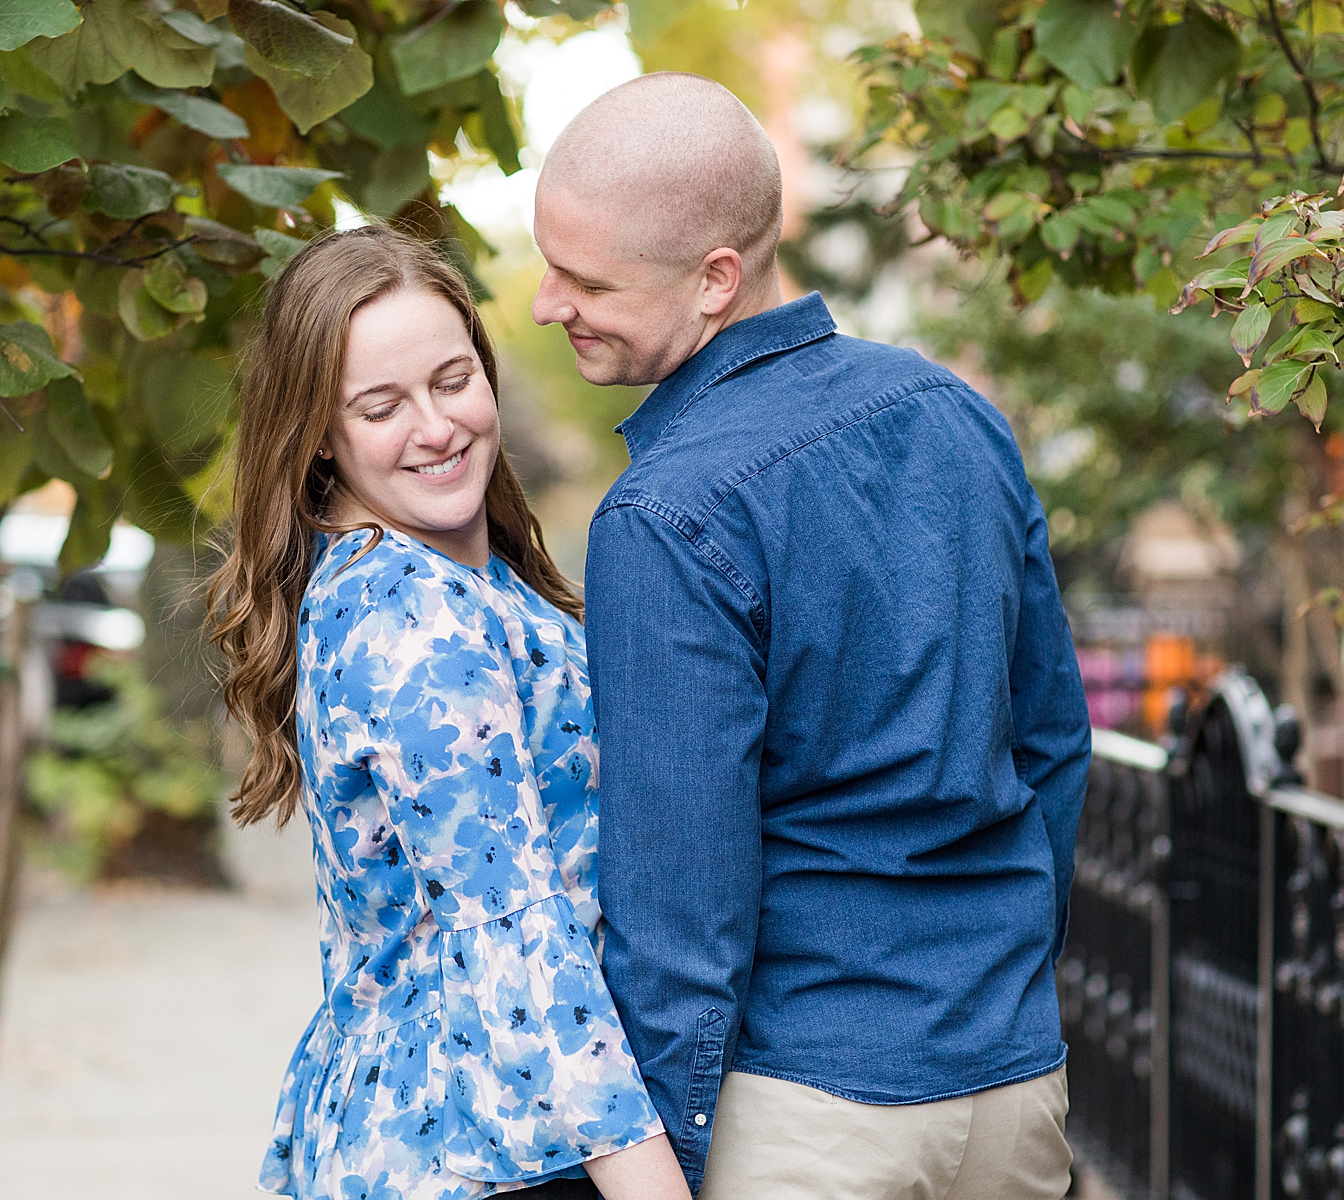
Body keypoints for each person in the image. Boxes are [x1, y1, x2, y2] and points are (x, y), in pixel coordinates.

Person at [532, 74, 1092, 1200]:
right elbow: (1053, 747)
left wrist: (664, 1166)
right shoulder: (954, 414)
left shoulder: (665, 519)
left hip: (806, 1116)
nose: (549, 303)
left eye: (587, 279)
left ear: (715, 280)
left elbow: (680, 909)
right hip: (1011, 1090)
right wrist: (1005, 988)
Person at [208, 225, 691, 1200]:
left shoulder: (462, 576)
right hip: (477, 1151)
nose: (435, 427)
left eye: (451, 379)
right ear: (320, 437)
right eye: (380, 406)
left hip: (451, 1127)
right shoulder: (408, 614)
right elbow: (514, 930)